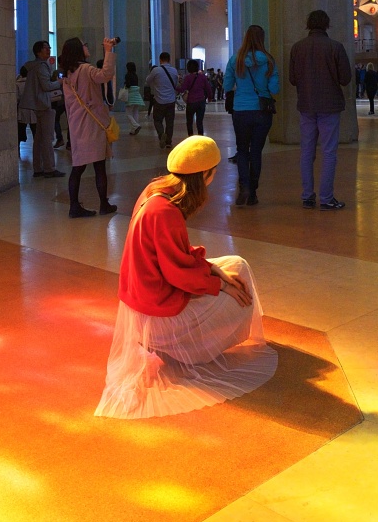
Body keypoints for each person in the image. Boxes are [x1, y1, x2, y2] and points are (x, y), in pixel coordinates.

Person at [95, 136, 277, 419]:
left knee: (235, 265)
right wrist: (220, 285)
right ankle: (187, 349)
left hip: (146, 300)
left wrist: (214, 270)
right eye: (213, 173)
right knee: (238, 287)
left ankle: (178, 347)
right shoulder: (165, 212)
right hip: (157, 313)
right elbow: (178, 274)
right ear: (204, 175)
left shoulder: (155, 191)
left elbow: (173, 254)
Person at [288, 9, 352, 210]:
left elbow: (292, 79)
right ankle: (326, 198)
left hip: (306, 104)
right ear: (327, 24)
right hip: (330, 105)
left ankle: (307, 196)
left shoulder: (297, 47)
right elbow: (345, 78)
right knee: (329, 152)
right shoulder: (335, 47)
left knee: (307, 151)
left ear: (308, 24)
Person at [60, 36, 118, 218]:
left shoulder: (67, 75)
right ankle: (103, 204)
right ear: (78, 50)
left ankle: (74, 206)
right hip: (92, 124)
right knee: (99, 165)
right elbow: (106, 75)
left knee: (78, 166)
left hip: (77, 124)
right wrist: (108, 52)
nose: (87, 46)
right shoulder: (86, 69)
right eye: (84, 45)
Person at [224, 24, 280, 207]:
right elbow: (274, 89)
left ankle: (244, 187)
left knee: (242, 150)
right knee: (256, 151)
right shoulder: (269, 61)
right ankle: (253, 193)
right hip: (262, 111)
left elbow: (227, 86)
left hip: (240, 110)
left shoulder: (235, 60)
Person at [18, 41, 66, 179]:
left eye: (49, 48)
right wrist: (59, 82)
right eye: (46, 48)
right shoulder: (42, 66)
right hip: (44, 105)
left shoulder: (32, 66)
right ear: (38, 51)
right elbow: (46, 86)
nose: (48, 50)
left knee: (38, 138)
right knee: (47, 138)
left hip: (36, 104)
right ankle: (49, 168)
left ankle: (38, 168)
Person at [145, 52, 179, 149]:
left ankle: (161, 134)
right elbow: (176, 84)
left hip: (159, 100)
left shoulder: (156, 70)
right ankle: (168, 142)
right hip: (171, 100)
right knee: (170, 122)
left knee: (157, 120)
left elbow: (147, 81)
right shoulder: (174, 71)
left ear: (160, 60)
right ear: (169, 59)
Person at [179, 59, 213, 136]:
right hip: (201, 101)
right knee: (199, 122)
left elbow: (182, 89)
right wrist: (210, 97)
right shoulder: (202, 77)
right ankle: (200, 137)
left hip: (191, 102)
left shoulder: (187, 78)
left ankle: (190, 137)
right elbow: (208, 88)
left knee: (189, 122)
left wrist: (174, 87)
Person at [16, 64, 36, 146]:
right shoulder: (33, 83)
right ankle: (37, 149)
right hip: (33, 109)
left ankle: (18, 149)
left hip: (22, 110)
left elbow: (17, 98)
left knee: (20, 132)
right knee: (35, 132)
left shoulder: (17, 84)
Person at [123, 62, 144, 135]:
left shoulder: (127, 75)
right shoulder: (135, 75)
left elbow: (128, 85)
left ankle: (136, 125)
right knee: (135, 112)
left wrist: (125, 84)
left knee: (128, 113)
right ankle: (133, 130)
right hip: (137, 95)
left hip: (131, 95)